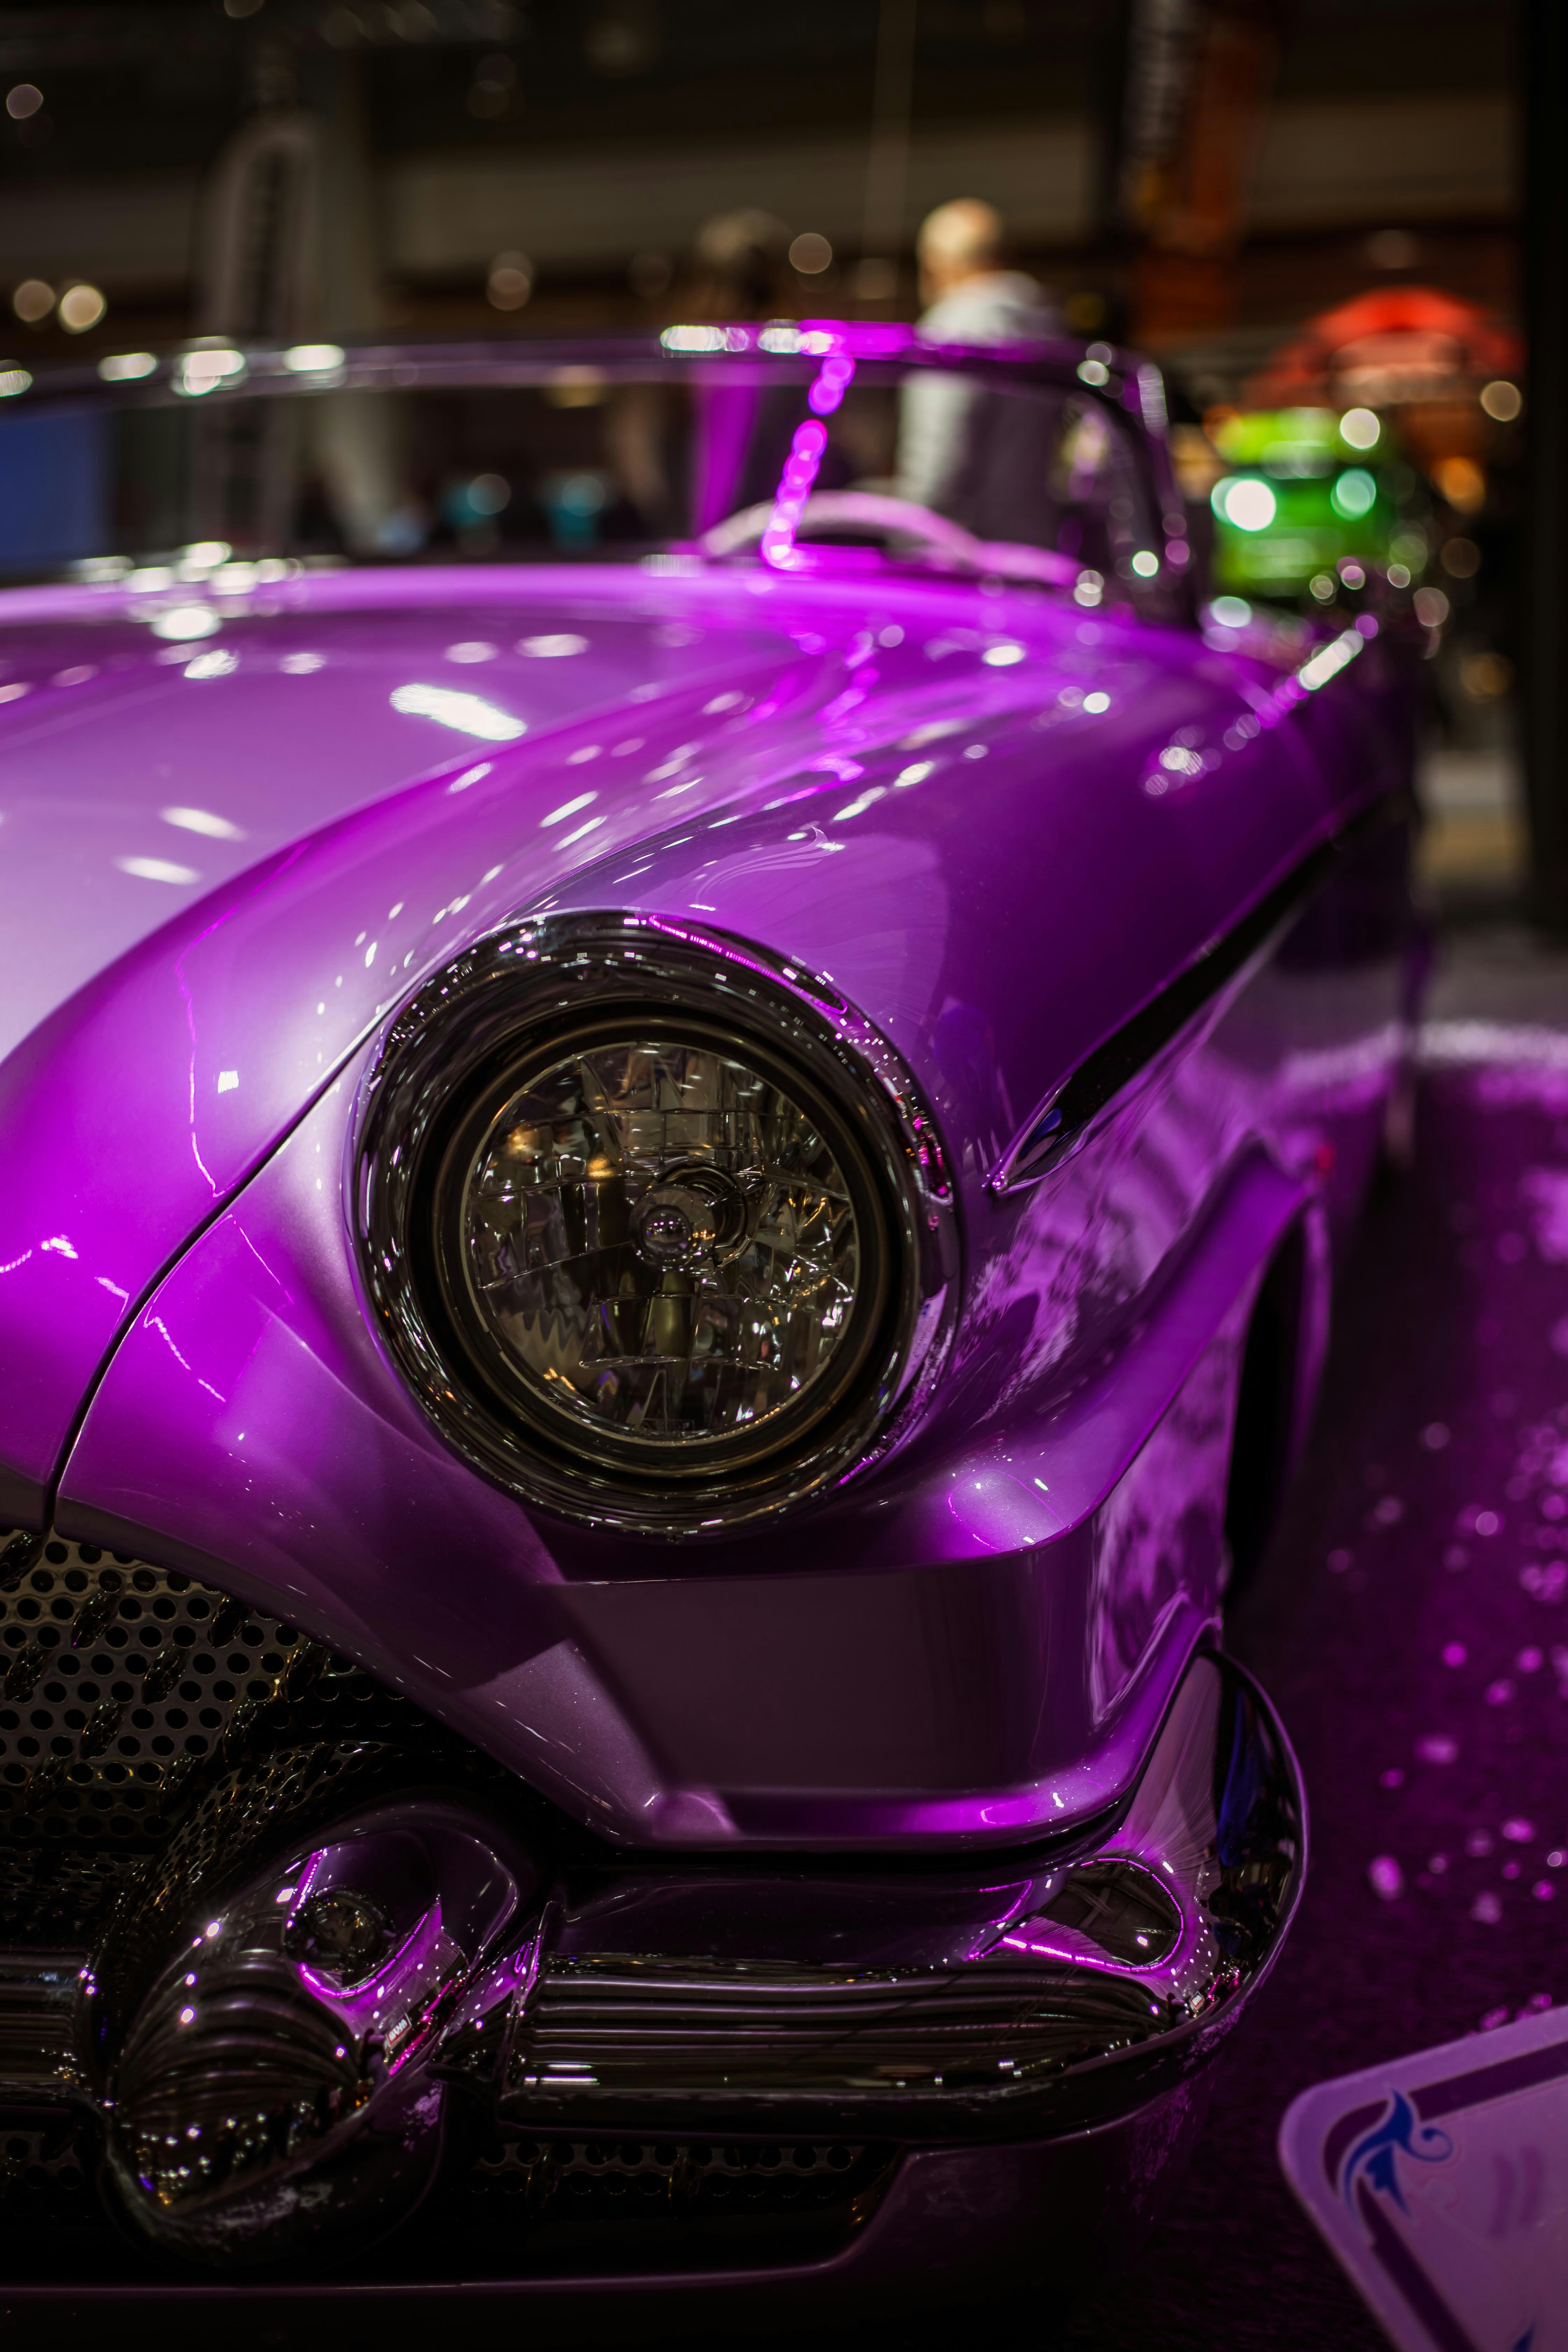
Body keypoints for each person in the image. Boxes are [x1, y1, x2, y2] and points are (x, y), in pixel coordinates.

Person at [896, 198, 1062, 544]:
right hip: (1032, 550)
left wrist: (907, 543)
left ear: (943, 264)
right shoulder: (1046, 325)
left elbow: (936, 461)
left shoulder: (952, 327)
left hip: (962, 559)